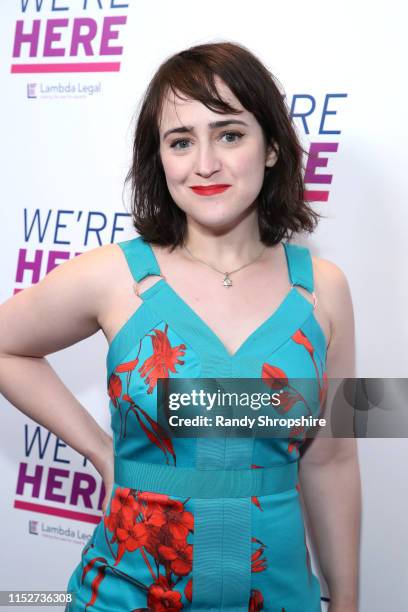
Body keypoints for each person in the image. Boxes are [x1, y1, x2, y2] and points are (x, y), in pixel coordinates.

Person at [0, 41, 361, 611]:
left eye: (230, 134)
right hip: (126, 595)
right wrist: (100, 450)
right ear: (160, 159)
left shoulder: (323, 289)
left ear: (271, 149)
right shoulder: (115, 276)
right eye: (181, 141)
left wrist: (346, 600)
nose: (205, 164)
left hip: (279, 595)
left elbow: (332, 457)